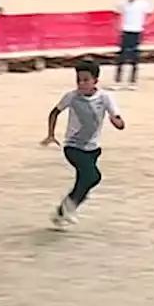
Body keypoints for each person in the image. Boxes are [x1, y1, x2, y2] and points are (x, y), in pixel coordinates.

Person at [41, 58, 125, 230]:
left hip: (93, 149)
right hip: (73, 147)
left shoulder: (105, 98)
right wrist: (50, 134)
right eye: (78, 80)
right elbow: (54, 112)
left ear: (95, 80)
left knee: (83, 183)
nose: (81, 83)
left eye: (86, 80)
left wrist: (117, 123)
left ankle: (62, 213)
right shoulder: (71, 97)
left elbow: (118, 120)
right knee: (93, 177)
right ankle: (66, 208)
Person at [111, 0, 152, 90]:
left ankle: (132, 81)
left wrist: (144, 24)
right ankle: (118, 81)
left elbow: (151, 14)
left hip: (137, 31)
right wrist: (118, 26)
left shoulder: (143, 4)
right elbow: (116, 15)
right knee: (122, 56)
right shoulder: (122, 4)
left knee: (135, 56)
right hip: (126, 30)